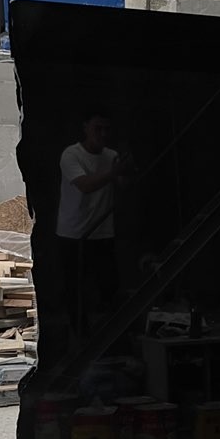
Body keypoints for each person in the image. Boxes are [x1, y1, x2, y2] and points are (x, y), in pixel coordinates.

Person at [56, 111, 130, 336]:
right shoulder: (71, 155)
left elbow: (124, 185)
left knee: (109, 287)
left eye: (107, 129)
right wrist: (114, 172)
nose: (103, 134)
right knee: (76, 290)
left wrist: (127, 170)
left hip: (103, 232)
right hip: (73, 233)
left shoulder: (111, 156)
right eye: (98, 128)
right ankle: (80, 336)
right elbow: (85, 185)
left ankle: (112, 335)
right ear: (86, 127)